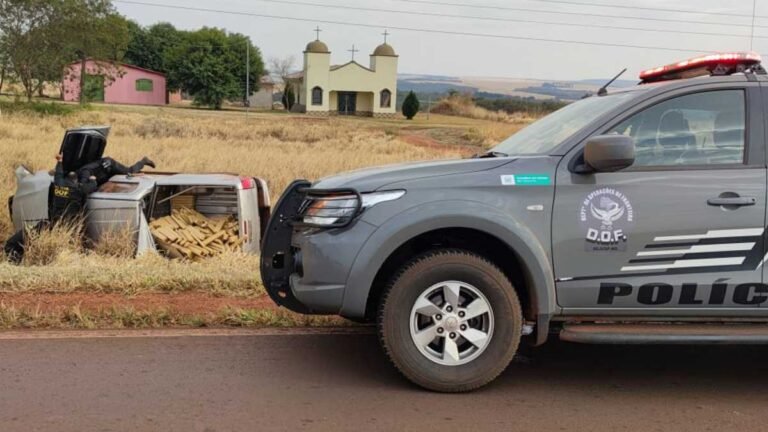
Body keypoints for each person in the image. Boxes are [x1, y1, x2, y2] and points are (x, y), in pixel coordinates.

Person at [4, 154, 98, 263]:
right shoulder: (80, 189)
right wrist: (93, 179)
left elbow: (58, 173)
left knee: (13, 242)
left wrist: (60, 161)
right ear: (76, 182)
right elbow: (92, 185)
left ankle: (13, 262)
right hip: (68, 228)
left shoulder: (59, 183)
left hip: (51, 224)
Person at [78, 156, 156, 186]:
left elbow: (84, 188)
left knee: (128, 172)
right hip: (104, 171)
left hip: (108, 165)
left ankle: (143, 161)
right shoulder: (83, 172)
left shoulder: (84, 173)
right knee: (124, 176)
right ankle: (137, 172)